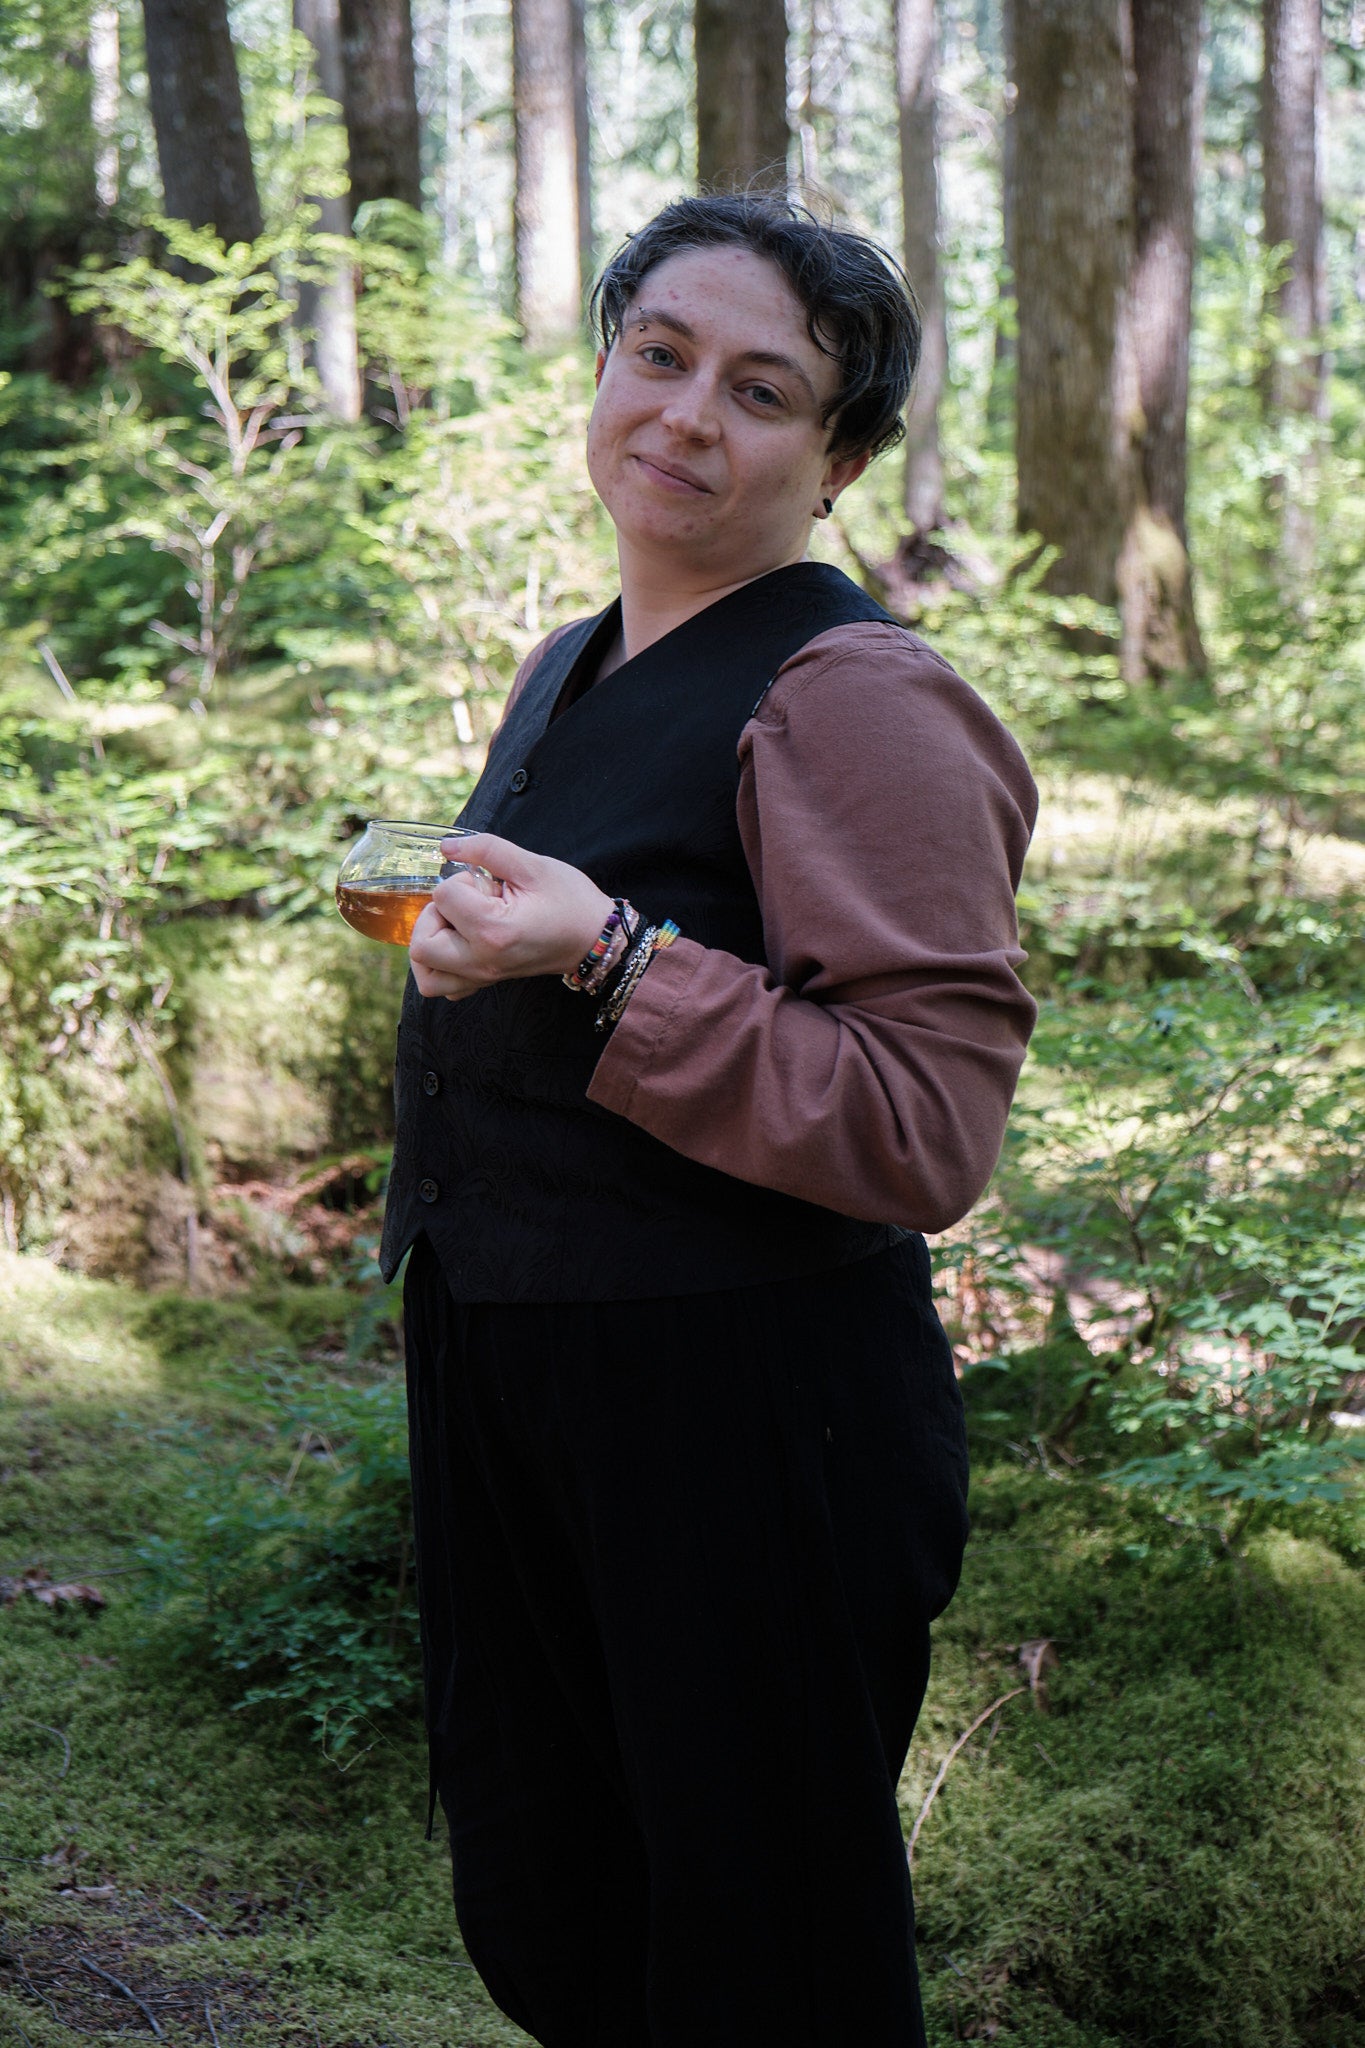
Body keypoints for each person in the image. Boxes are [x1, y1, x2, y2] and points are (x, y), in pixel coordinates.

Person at [379, 192, 1037, 2048]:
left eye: (760, 390)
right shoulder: (568, 663)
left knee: (768, 1962)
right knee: (558, 1900)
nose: (683, 415)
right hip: (523, 1378)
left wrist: (605, 955)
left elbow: (924, 1125)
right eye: (656, 354)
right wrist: (474, 955)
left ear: (834, 462)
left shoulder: (861, 695)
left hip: (751, 1421)